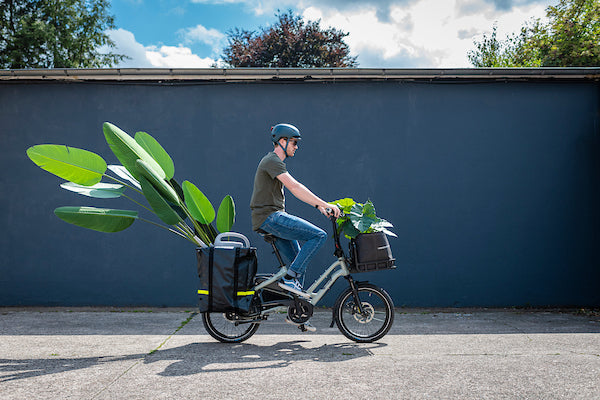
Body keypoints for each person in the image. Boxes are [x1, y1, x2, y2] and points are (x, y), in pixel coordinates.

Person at [250, 123, 341, 301]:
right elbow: (295, 187)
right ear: (282, 141)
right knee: (318, 235)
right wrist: (326, 203)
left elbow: (296, 189)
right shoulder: (271, 161)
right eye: (293, 143)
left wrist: (318, 207)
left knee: (298, 263)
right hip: (270, 218)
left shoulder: (275, 163)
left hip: (270, 217)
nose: (296, 147)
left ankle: (298, 310)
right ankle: (290, 281)